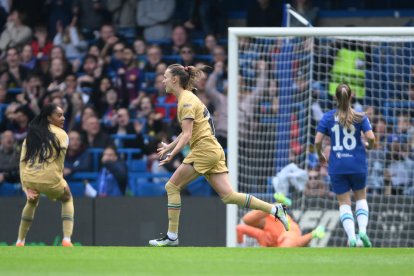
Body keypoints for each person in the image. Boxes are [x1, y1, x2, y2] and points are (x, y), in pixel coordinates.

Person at [148, 64, 290, 247]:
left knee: (172, 187)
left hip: (204, 150)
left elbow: (187, 135)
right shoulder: (187, 98)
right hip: (212, 149)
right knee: (229, 196)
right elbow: (188, 133)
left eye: (165, 77)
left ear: (175, 79)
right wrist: (169, 147)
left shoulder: (187, 101)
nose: (163, 80)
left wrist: (172, 154)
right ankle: (275, 209)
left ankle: (172, 236)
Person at [315, 83, 375, 247]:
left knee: (344, 202)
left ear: (335, 97)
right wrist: (369, 145)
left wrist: (320, 155)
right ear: (351, 97)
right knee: (361, 198)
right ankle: (362, 230)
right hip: (357, 164)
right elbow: (372, 138)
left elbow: (317, 141)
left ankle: (352, 237)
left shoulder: (327, 117)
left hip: (337, 165)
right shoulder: (360, 117)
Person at [16, 103, 74, 247]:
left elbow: (22, 163)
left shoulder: (30, 135)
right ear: (49, 117)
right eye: (59, 115)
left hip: (29, 178)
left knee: (31, 202)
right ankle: (67, 239)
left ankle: (20, 241)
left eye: (63, 115)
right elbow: (60, 162)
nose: (63, 118)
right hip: (50, 179)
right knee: (67, 198)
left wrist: (25, 188)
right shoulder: (62, 135)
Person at [237, 194, 325, 247]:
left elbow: (239, 228)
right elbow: (239, 228)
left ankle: (276, 206)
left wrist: (240, 246)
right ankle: (277, 205)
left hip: (287, 226)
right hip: (278, 222)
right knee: (246, 220)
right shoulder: (264, 237)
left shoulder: (263, 236)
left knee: (287, 247)